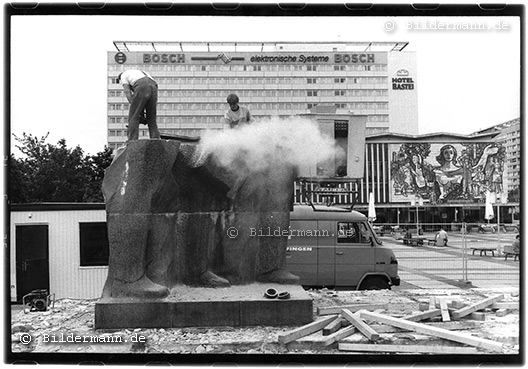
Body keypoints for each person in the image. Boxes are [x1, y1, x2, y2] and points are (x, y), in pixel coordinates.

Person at [118, 70, 161, 141]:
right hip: (154, 86)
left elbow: (127, 91)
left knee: (133, 116)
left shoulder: (123, 76)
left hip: (141, 85)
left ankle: (132, 141)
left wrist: (134, 107)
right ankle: (156, 140)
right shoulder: (138, 72)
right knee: (151, 118)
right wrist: (141, 112)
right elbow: (143, 99)